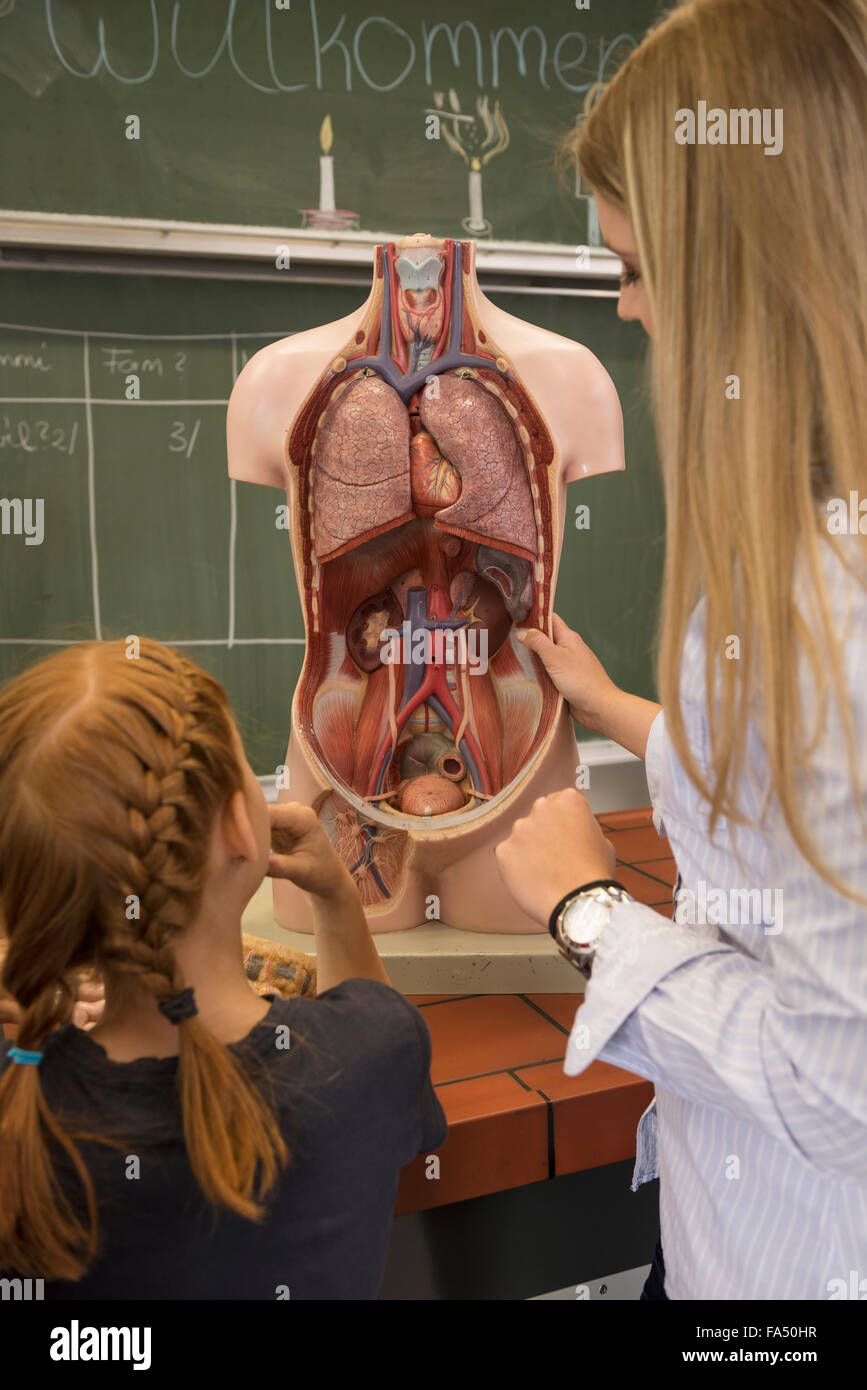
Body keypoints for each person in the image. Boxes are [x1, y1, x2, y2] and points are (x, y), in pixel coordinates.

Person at [496, 0, 867, 1300]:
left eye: (637, 264)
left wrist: (587, 910)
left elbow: (836, 1087)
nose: (630, 309)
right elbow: (806, 787)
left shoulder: (823, 601)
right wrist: (613, 701)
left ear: (739, 273)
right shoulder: (814, 566)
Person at [0, 638, 445, 1299]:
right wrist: (338, 900)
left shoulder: (23, 1095)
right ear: (243, 829)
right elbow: (374, 1039)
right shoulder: (372, 1050)